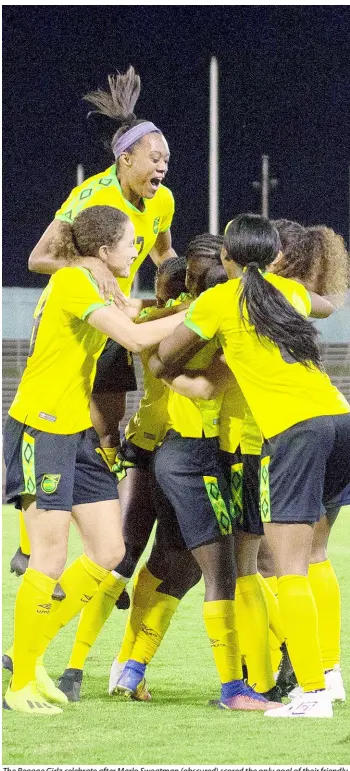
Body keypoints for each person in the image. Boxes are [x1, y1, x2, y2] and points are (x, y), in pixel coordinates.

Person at [150, 213, 350, 718]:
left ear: (227, 257)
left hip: (297, 432)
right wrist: (279, 275)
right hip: (339, 419)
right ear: (274, 256)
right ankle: (327, 675)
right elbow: (325, 304)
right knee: (315, 556)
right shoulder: (287, 292)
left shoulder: (220, 299)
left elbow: (165, 358)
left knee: (287, 569)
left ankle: (311, 693)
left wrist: (170, 368)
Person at [2, 205, 186, 715]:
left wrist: (179, 306)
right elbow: (132, 337)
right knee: (49, 557)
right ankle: (19, 682)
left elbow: (136, 315)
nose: (138, 249)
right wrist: (207, 312)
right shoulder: (71, 282)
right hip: (42, 426)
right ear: (103, 250)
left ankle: (26, 654)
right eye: (131, 242)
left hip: (76, 431)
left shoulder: (98, 283)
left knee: (107, 550)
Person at [10, 64, 176, 578]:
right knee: (59, 420)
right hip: (77, 321)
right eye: (154, 158)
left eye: (167, 159)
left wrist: (188, 287)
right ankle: (32, 545)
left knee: (107, 434)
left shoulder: (160, 201)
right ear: (125, 159)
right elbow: (39, 259)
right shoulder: (93, 200)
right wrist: (86, 264)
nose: (163, 168)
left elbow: (164, 258)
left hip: (117, 323)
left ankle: (104, 559)